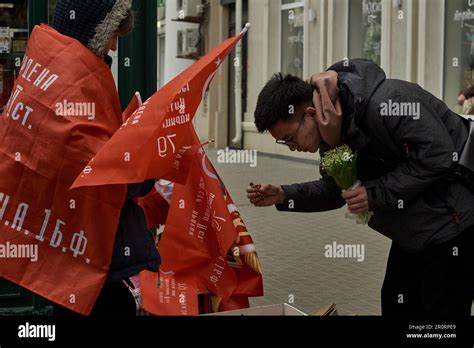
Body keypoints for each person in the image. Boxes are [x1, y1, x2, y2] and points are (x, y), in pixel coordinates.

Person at [247, 58, 474, 317]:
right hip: (416, 230)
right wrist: (284, 195)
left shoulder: (389, 102)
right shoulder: (331, 128)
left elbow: (439, 155)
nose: (292, 147)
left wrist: (374, 194)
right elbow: (336, 190)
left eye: (289, 138)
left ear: (310, 114)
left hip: (454, 224)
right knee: (397, 303)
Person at [50, 0, 161, 317]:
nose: (114, 44)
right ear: (90, 32)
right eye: (111, 34)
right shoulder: (78, 85)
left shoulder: (66, 78)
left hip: (75, 252)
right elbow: (102, 178)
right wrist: (149, 168)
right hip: (92, 254)